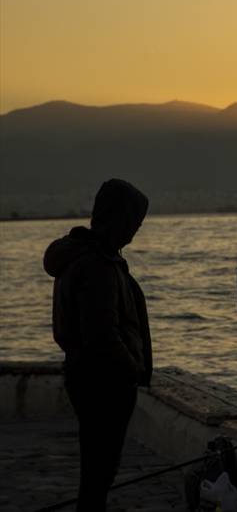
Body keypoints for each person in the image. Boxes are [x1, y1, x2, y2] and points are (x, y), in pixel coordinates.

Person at [44, 178, 152, 512]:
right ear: (118, 219)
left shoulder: (82, 258)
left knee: (97, 467)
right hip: (103, 382)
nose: (134, 232)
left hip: (86, 376)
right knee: (100, 469)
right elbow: (102, 334)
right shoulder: (98, 267)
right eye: (133, 223)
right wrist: (131, 368)